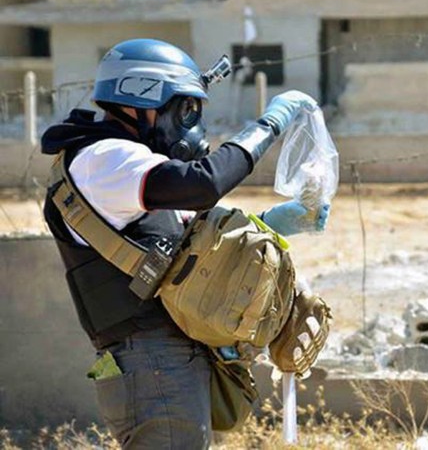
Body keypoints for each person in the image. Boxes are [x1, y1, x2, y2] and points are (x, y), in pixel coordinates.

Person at [41, 39, 330, 448]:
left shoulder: (130, 168)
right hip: (152, 361)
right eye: (185, 109)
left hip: (165, 362)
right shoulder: (102, 157)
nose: (192, 125)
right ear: (140, 97)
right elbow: (202, 184)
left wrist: (273, 223)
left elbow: (188, 249)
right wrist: (270, 124)